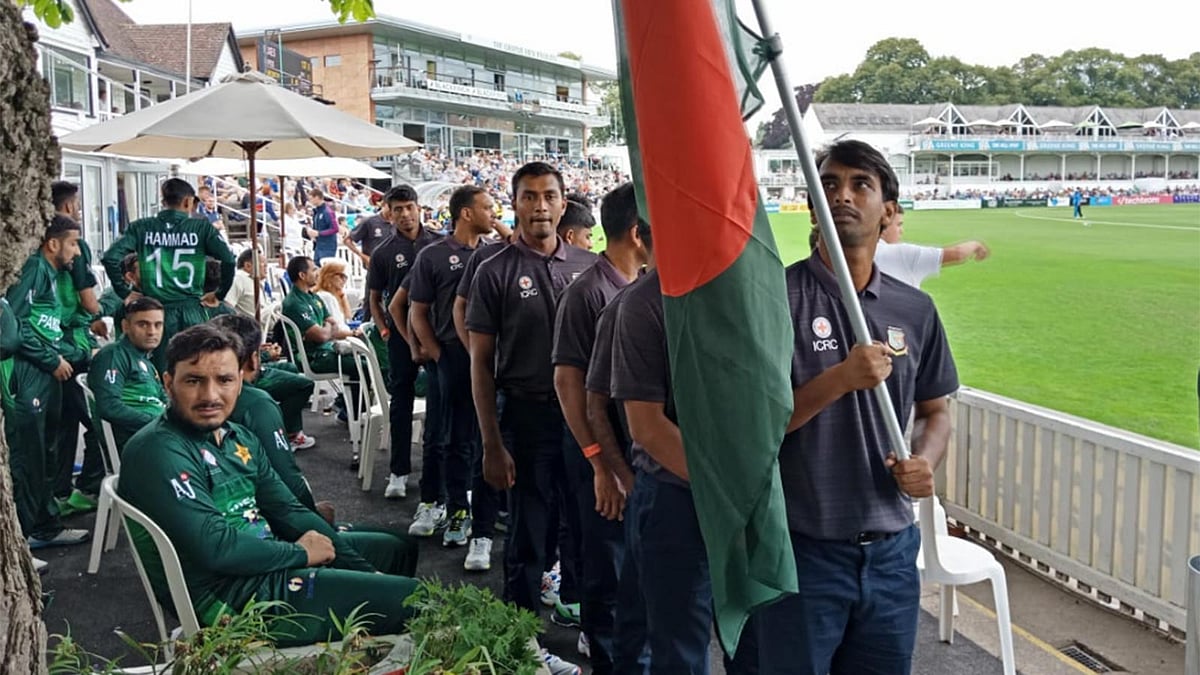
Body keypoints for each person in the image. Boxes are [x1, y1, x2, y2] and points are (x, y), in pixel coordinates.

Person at [757, 139, 959, 674]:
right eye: (828, 184)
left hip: (892, 554)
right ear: (812, 203)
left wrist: (926, 463)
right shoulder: (777, 300)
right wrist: (840, 379)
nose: (842, 195)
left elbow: (936, 410)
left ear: (889, 212)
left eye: (859, 184)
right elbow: (755, 429)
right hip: (803, 553)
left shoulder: (914, 308)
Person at [117, 324, 420, 646]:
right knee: (416, 601)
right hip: (232, 599)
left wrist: (365, 572)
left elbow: (287, 509)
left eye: (224, 380)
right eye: (193, 381)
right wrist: (300, 553)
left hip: (264, 562)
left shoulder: (238, 436)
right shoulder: (158, 449)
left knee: (398, 549)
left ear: (240, 380)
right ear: (168, 384)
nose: (210, 395)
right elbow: (216, 549)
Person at [466, 161, 594, 673]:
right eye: (529, 197)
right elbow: (480, 363)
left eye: (549, 196)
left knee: (587, 526)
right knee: (528, 533)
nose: (540, 206)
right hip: (526, 415)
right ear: (514, 203)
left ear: (564, 204)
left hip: (585, 418)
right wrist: (492, 444)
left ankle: (594, 624)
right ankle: (522, 642)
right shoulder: (493, 268)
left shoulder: (587, 265)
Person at [609, 267, 755, 674]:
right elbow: (645, 425)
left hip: (748, 497)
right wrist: (610, 469)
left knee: (753, 640)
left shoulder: (756, 289)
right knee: (676, 646)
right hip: (676, 493)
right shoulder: (642, 302)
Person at [551, 182, 650, 673]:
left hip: (636, 452)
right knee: (607, 563)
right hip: (600, 452)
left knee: (635, 565)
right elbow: (568, 384)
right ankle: (605, 653)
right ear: (637, 232)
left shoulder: (642, 284)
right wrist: (597, 462)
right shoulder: (588, 292)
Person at [405, 185, 494, 554]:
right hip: (452, 358)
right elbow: (415, 310)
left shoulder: (493, 255)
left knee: (483, 437)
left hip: (486, 357)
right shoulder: (433, 256)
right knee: (450, 437)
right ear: (466, 213)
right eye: (488, 208)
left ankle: (483, 509)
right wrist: (435, 353)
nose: (495, 213)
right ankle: (451, 507)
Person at [3, 216, 90, 550]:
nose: (77, 253)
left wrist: (66, 351)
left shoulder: (51, 274)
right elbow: (16, 327)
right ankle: (23, 538)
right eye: (72, 244)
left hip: (46, 373)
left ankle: (46, 525)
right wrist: (51, 359)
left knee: (47, 452)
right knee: (29, 455)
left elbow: (45, 325)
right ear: (52, 243)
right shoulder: (34, 268)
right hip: (26, 375)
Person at [100, 177, 236, 373]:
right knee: (196, 371)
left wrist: (124, 292)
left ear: (163, 201)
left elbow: (110, 257)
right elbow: (229, 260)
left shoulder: (142, 227)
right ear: (188, 202)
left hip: (156, 311)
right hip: (192, 309)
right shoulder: (200, 228)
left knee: (162, 373)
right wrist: (219, 294)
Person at [366, 185, 443, 500]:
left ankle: (437, 475)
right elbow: (374, 299)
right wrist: (385, 330)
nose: (404, 214)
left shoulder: (439, 242)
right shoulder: (383, 251)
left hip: (437, 335)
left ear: (418, 207)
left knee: (441, 404)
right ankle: (398, 472)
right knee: (401, 403)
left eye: (409, 207)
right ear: (389, 213)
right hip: (400, 337)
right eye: (397, 209)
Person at [50, 181, 105, 515]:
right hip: (68, 346)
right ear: (69, 207)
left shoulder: (34, 241)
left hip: (51, 344)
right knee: (101, 419)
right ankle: (86, 487)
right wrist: (100, 316)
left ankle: (58, 493)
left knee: (64, 422)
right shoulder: (73, 242)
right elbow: (88, 302)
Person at [88, 296, 168, 453]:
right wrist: (157, 422)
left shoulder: (146, 361)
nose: (152, 332)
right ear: (125, 326)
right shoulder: (113, 356)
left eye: (157, 325)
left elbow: (162, 398)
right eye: (143, 324)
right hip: (136, 442)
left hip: (158, 434)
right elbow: (109, 406)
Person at [872, 203, 989, 288]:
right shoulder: (901, 253)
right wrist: (976, 244)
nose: (901, 231)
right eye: (899, 225)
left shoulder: (861, 251)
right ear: (884, 226)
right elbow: (958, 254)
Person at [281, 255, 361, 378]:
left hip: (327, 349)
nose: (318, 273)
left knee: (365, 359)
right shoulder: (294, 303)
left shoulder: (313, 297)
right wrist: (327, 329)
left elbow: (333, 325)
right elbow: (321, 336)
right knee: (363, 366)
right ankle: (355, 397)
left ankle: (350, 397)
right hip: (313, 357)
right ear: (302, 275)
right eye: (313, 270)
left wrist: (326, 328)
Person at [225, 248, 266, 317]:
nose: (265, 266)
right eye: (263, 264)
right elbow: (227, 306)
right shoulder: (238, 279)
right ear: (248, 265)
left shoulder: (255, 281)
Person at [315, 260, 354, 331]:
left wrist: (343, 298)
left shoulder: (336, 295)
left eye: (346, 277)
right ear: (329, 276)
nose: (344, 280)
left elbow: (348, 319)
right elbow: (337, 328)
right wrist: (354, 333)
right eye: (342, 276)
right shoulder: (326, 297)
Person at [305, 189, 339, 264]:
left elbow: (335, 228)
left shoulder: (327, 211)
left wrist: (319, 233)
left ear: (317, 197)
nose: (310, 201)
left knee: (325, 268)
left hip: (328, 246)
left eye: (311, 199)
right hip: (318, 245)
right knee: (317, 267)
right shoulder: (316, 212)